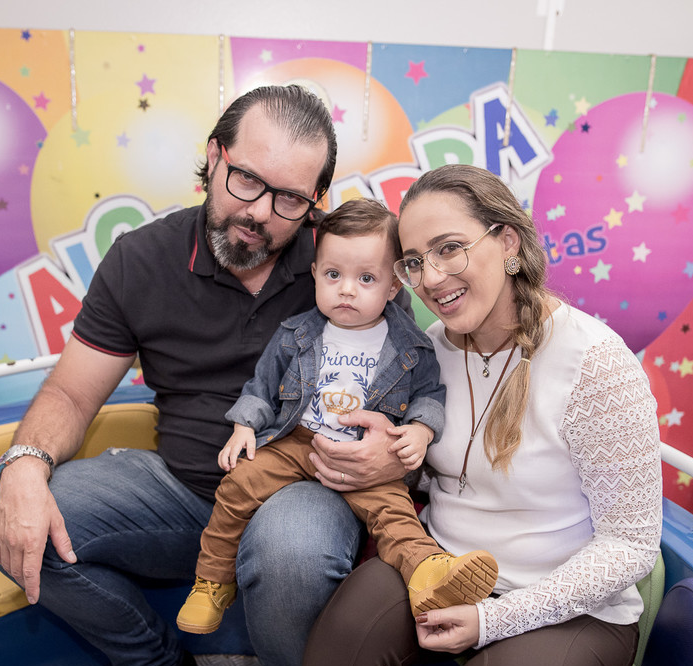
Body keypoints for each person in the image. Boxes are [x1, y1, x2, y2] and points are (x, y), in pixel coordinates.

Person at [0, 84, 407, 666]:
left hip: (302, 491)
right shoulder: (140, 259)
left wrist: (395, 443)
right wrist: (25, 467)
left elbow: (417, 387)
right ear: (213, 157)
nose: (260, 215)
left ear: (317, 201)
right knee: (5, 517)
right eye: (246, 181)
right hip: (180, 495)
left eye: (290, 200)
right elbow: (71, 394)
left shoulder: (352, 265)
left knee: (295, 551)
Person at [292, 164, 664, 666]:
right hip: (441, 562)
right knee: (342, 637)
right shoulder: (425, 348)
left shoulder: (596, 363)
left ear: (509, 243)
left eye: (449, 248)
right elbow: (407, 451)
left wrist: (496, 621)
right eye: (414, 261)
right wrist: (382, 456)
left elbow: (632, 546)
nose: (432, 278)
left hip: (569, 602)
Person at [176, 198, 498, 636]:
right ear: (315, 275)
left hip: (364, 459)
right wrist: (243, 426)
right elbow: (262, 385)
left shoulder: (412, 346)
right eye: (333, 275)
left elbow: (430, 395)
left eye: (366, 278)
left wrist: (421, 431)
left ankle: (429, 573)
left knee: (394, 514)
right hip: (296, 441)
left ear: (392, 287)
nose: (347, 289)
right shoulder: (296, 334)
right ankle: (212, 580)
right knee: (237, 486)